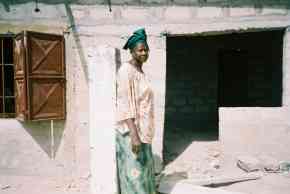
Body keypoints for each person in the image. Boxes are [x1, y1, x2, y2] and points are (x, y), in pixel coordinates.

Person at [115, 28, 156, 194]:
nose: (144, 53)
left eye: (146, 49)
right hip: (132, 132)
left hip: (143, 131)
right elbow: (124, 104)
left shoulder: (140, 71)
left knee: (144, 173)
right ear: (131, 51)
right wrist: (134, 136)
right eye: (140, 50)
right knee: (134, 176)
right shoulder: (126, 71)